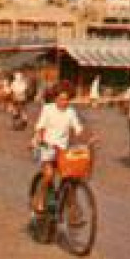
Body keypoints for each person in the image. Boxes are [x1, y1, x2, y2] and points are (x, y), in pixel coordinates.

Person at [29, 81, 87, 230]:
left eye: (67, 99)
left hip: (62, 150)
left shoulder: (71, 111)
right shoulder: (48, 109)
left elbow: (78, 129)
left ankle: (72, 212)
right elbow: (41, 127)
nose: (64, 102)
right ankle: (39, 198)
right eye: (61, 99)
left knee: (71, 179)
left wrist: (88, 138)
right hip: (47, 146)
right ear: (55, 98)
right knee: (48, 174)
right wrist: (41, 140)